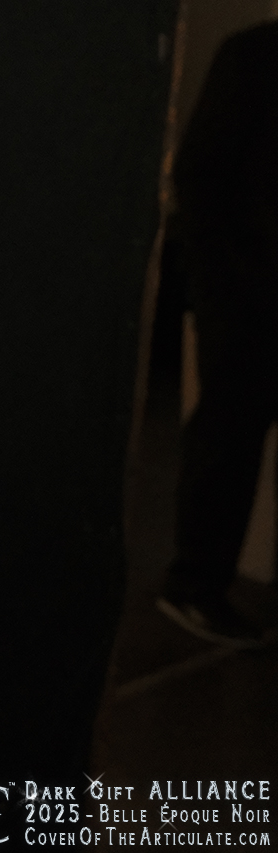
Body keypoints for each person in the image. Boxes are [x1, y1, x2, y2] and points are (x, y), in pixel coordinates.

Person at [158, 21, 278, 649]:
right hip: (245, 294)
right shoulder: (255, 54)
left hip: (244, 283)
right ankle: (195, 585)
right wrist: (228, 286)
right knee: (229, 434)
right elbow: (201, 177)